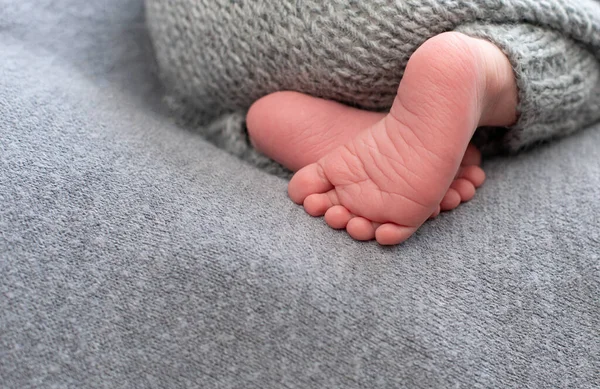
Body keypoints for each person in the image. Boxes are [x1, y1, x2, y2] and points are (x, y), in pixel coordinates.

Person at [146, 0, 600, 245]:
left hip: (204, 38)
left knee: (214, 99)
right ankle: (473, 69)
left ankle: (260, 118)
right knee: (584, 46)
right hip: (401, 22)